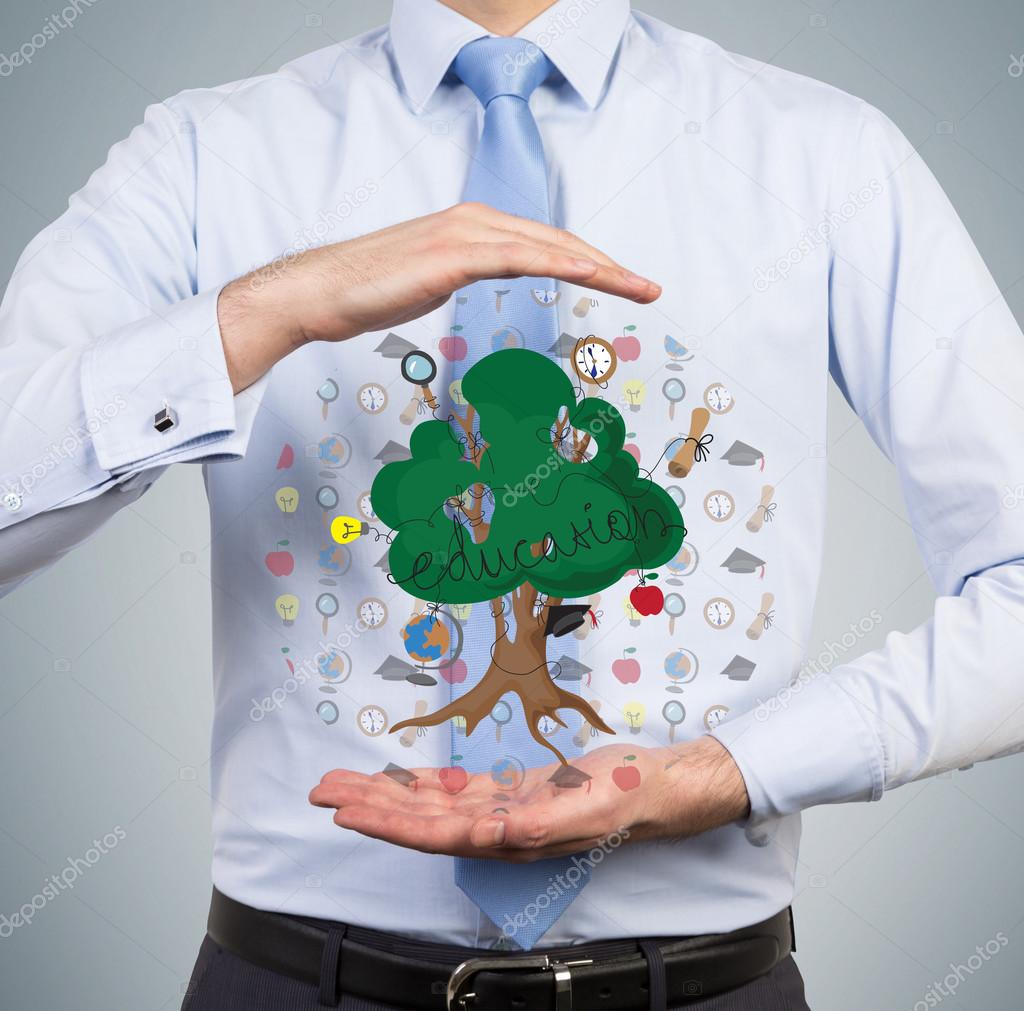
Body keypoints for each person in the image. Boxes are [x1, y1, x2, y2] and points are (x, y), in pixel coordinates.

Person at [2, 1, 1023, 1008]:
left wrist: (731, 771)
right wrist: (267, 309)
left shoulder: (824, 154)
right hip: (291, 982)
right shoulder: (200, 153)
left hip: (710, 985)